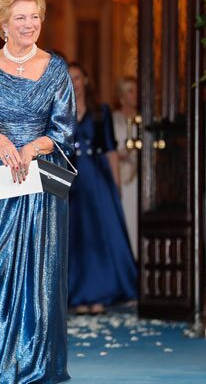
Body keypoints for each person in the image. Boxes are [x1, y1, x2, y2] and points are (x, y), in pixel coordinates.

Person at [0, 0, 75, 384]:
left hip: (42, 187)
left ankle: (41, 369)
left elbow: (64, 129)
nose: (29, 24)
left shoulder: (57, 68)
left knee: (44, 277)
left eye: (35, 16)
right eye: (20, 17)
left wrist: (34, 147)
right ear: (3, 23)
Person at [66, 63, 137, 315]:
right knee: (77, 238)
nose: (74, 82)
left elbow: (110, 151)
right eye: (69, 78)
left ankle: (99, 295)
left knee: (99, 236)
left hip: (97, 178)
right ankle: (77, 296)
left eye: (77, 77)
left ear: (85, 79)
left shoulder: (101, 111)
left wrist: (115, 185)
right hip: (71, 179)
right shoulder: (60, 110)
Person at [112, 76, 139, 254]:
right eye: (130, 90)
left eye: (136, 90)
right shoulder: (114, 119)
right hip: (120, 175)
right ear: (122, 94)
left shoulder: (143, 118)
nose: (135, 95)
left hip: (139, 177)